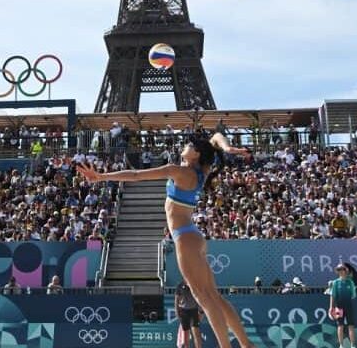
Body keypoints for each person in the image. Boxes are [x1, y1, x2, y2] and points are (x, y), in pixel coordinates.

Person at [77, 134, 254, 348]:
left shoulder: (179, 170)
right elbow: (216, 137)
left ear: (196, 153)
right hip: (192, 236)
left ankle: (227, 346)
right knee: (213, 297)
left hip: (184, 237)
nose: (186, 145)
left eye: (190, 145)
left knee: (205, 299)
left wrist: (101, 177)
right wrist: (228, 148)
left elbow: (135, 175)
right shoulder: (201, 170)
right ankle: (246, 345)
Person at [329, 264, 357, 348]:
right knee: (340, 325)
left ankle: (353, 345)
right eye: (339, 270)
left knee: (351, 325)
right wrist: (331, 307)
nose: (341, 271)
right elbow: (332, 295)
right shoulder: (335, 283)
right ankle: (341, 345)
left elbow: (353, 295)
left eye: (342, 269)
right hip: (338, 307)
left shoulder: (350, 282)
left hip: (349, 306)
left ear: (346, 271)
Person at [174, 281, 203, 348]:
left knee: (196, 334)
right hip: (184, 312)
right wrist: (177, 311)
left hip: (194, 311)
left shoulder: (195, 284)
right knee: (185, 336)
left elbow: (200, 298)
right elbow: (176, 299)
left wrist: (201, 311)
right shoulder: (180, 285)